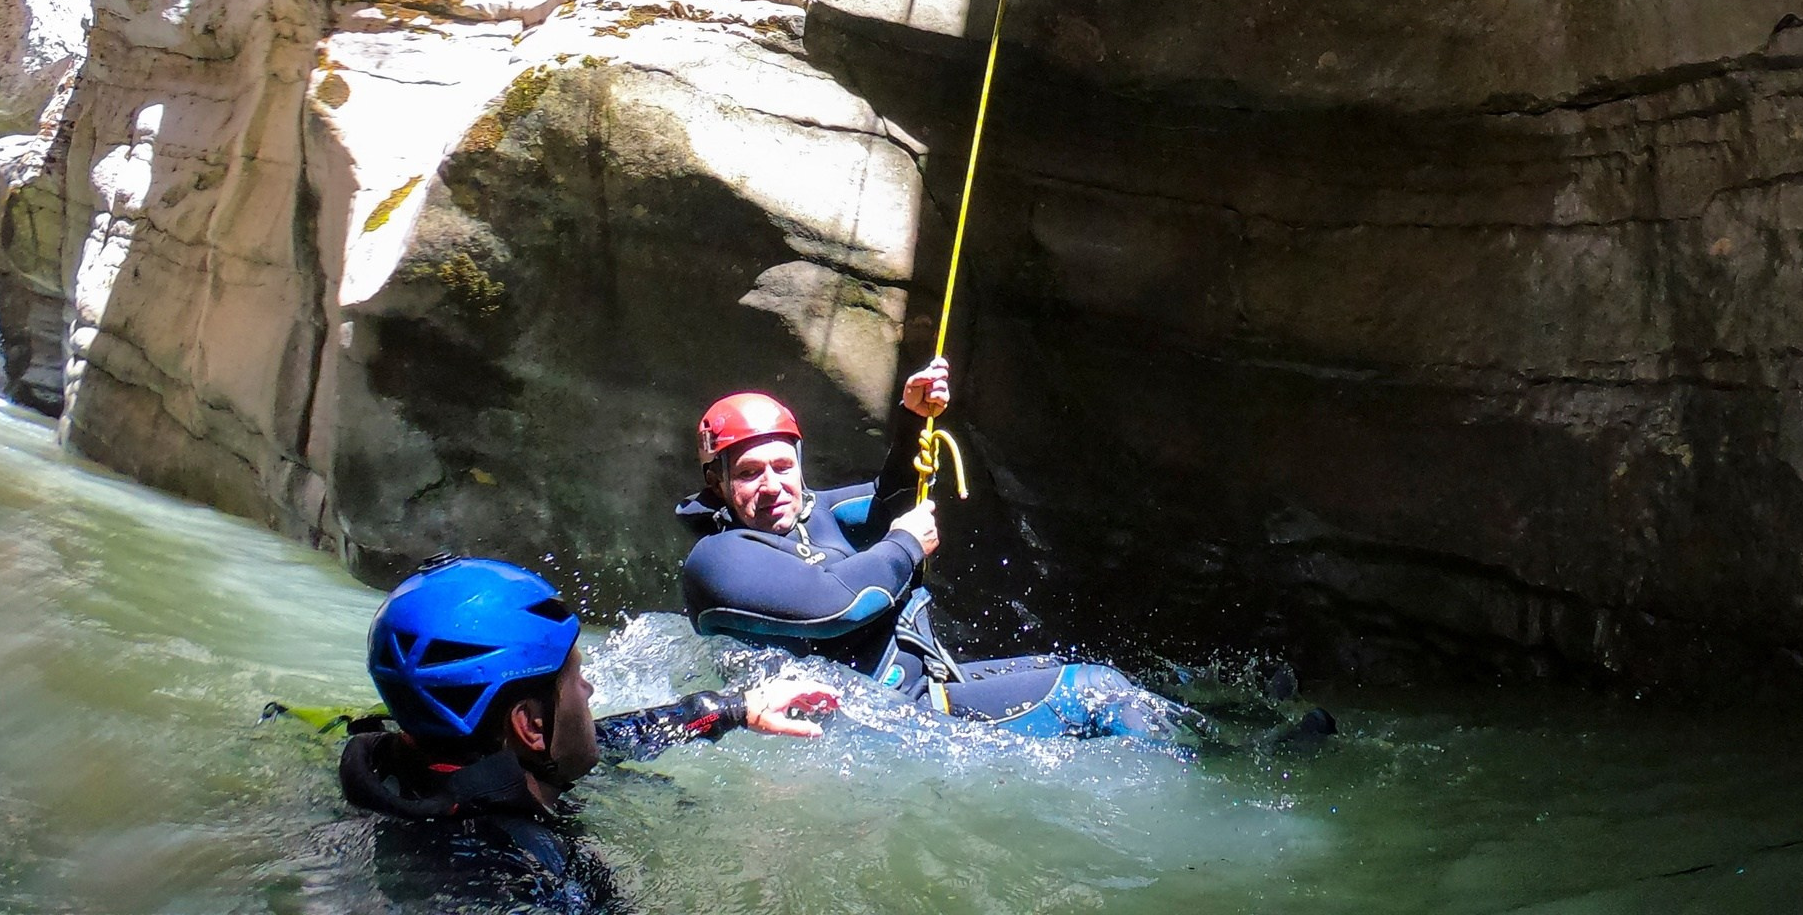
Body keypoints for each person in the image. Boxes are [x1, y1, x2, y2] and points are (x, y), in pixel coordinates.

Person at [678, 359, 1184, 742]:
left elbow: (888, 499)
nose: (772, 486)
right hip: (881, 726)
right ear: (717, 483)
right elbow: (833, 606)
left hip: (911, 698)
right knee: (1098, 693)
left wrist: (912, 421)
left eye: (783, 467)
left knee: (1089, 674)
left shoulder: (815, 514)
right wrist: (905, 544)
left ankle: (1203, 746)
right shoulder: (717, 558)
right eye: (749, 473)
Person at [338, 556, 841, 909]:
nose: (591, 688)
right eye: (575, 676)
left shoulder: (401, 770)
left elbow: (617, 736)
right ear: (531, 727)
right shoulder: (518, 876)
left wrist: (736, 707)